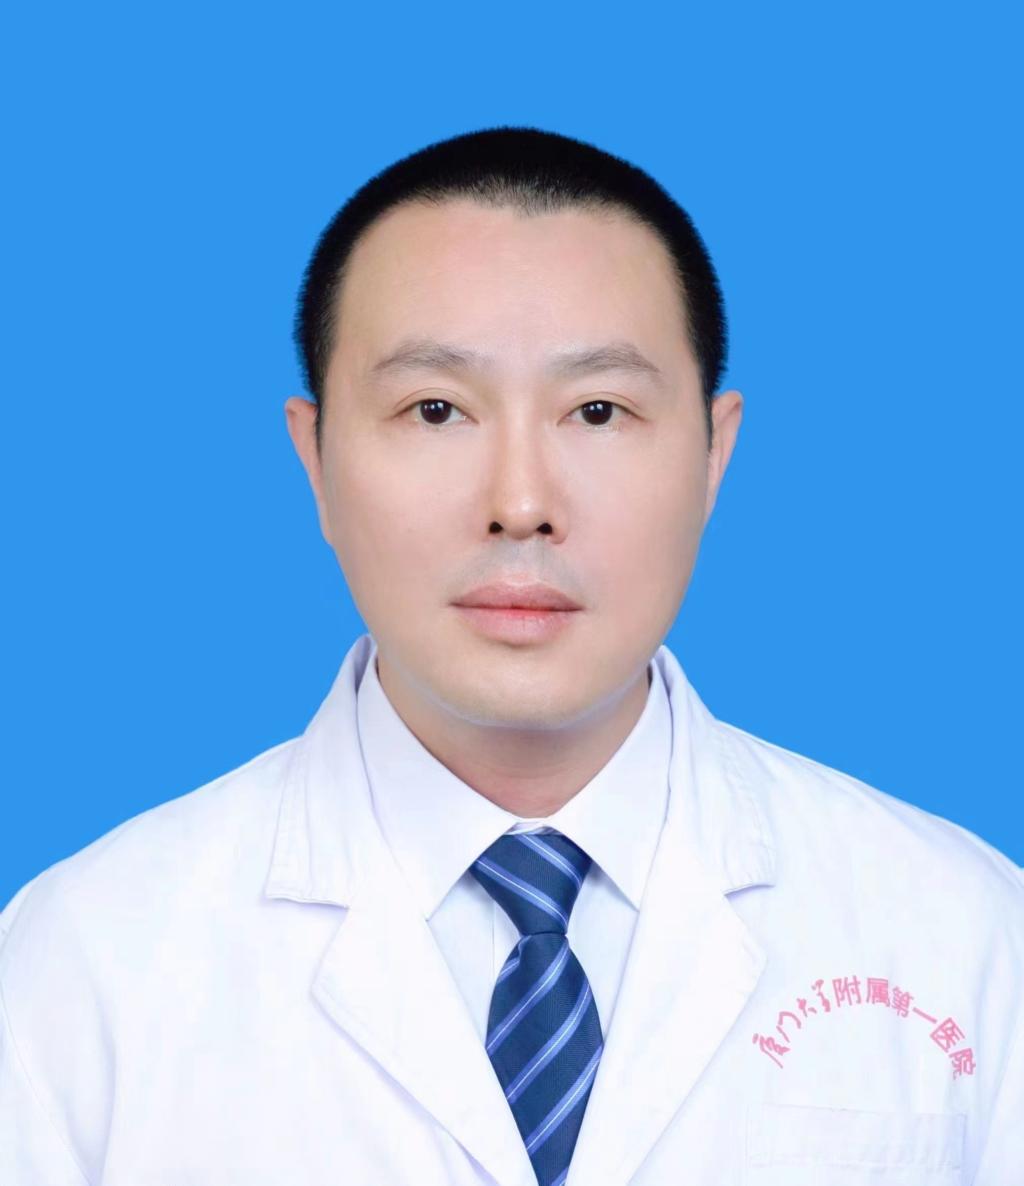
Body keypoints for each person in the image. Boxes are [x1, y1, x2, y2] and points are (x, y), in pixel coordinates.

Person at [1, 125, 1020, 1186]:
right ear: (315, 457)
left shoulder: (967, 935)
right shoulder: (81, 967)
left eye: (598, 410)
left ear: (714, 452)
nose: (521, 502)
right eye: (436, 409)